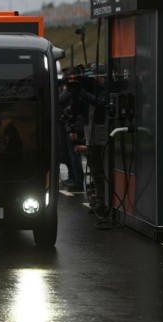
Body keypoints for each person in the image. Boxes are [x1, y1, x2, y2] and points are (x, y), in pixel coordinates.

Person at [72, 64, 108, 215]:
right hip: (91, 136)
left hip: (101, 137)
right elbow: (77, 110)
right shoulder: (91, 93)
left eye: (95, 77)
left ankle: (103, 201)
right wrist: (77, 94)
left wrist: (82, 92)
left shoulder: (105, 91)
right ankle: (98, 200)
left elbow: (101, 103)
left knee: (100, 171)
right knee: (95, 170)